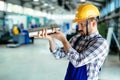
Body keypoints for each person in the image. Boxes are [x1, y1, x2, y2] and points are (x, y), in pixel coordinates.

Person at [35, 3, 109, 80]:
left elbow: (78, 61)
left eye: (81, 24)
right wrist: (50, 39)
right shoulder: (77, 38)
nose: (79, 28)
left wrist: (64, 40)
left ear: (93, 23)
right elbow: (58, 54)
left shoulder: (101, 43)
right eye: (78, 24)